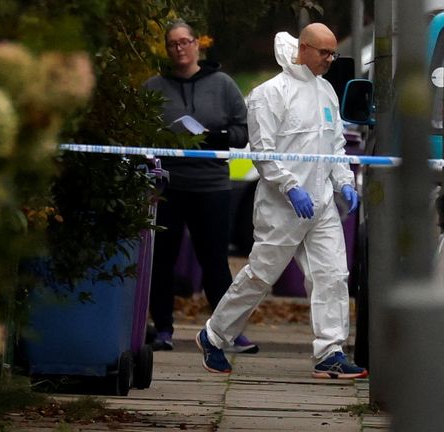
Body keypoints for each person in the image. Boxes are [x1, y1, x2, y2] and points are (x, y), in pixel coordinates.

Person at [195, 23, 366, 379]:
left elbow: (334, 146)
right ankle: (214, 335)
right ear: (303, 48)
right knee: (260, 275)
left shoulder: (327, 93)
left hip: (319, 204)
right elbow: (263, 151)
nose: (330, 60)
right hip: (281, 206)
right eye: (324, 53)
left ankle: (329, 351)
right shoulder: (270, 94)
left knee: (332, 275)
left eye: (333, 53)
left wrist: (344, 181)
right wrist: (289, 187)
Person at [142, 20, 257, 353]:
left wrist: (215, 137)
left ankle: (226, 332)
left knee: (215, 261)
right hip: (167, 186)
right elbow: (140, 135)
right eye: (172, 44)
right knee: (162, 259)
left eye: (185, 42)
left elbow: (243, 132)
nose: (179, 48)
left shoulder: (222, 85)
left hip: (211, 185)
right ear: (167, 49)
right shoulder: (154, 88)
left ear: (197, 45)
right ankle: (163, 328)